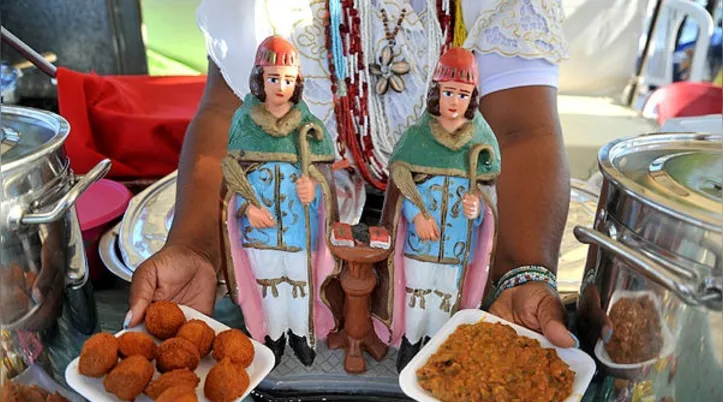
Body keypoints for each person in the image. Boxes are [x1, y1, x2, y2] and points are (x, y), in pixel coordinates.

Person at [126, 0, 578, 351]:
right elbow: (231, 113)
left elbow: (521, 131)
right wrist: (194, 244)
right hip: (295, 221)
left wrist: (522, 272)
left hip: (452, 230)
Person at [372, 47, 501, 370]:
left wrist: (479, 210)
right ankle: (411, 344)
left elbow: (488, 193)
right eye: (448, 92)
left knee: (445, 297)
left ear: (472, 96)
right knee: (417, 295)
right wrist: (415, 214)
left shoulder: (482, 141)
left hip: (456, 245)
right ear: (437, 93)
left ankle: (439, 347)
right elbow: (401, 185)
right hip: (420, 242)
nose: (454, 101)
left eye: (462, 93)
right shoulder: (417, 137)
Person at [221, 36, 339, 366]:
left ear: (297, 83)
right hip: (260, 232)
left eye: (288, 80)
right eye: (274, 78)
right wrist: (248, 206)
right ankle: (273, 336)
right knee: (270, 286)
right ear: (260, 79)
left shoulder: (310, 127)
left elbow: (326, 178)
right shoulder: (244, 122)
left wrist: (315, 191)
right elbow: (230, 174)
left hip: (299, 230)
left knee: (300, 284)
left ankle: (300, 334)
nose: (280, 86)